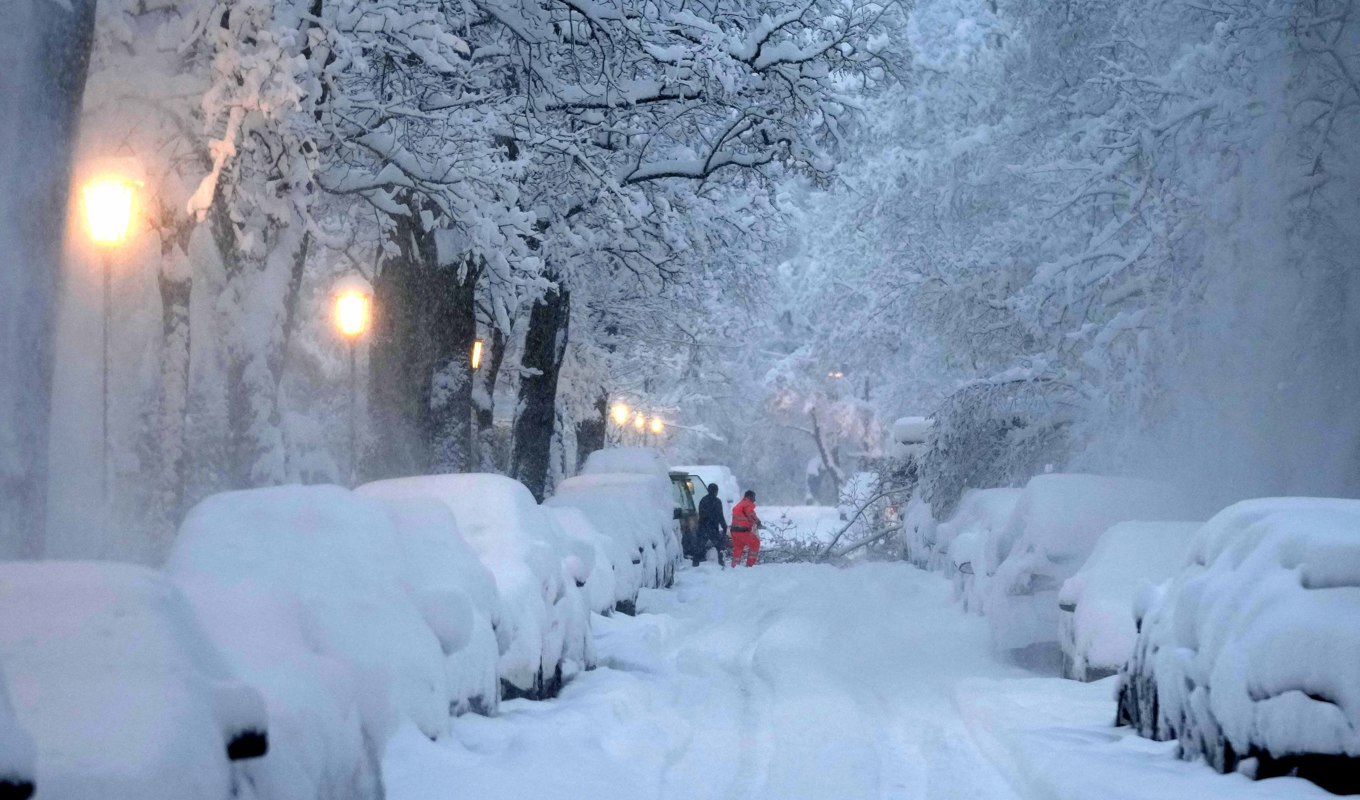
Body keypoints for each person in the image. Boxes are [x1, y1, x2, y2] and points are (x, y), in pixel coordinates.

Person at [694, 483, 728, 567]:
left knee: (699, 547)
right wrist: (724, 526)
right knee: (719, 546)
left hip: (703, 528)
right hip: (713, 528)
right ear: (716, 491)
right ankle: (721, 564)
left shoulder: (703, 500)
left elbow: (701, 515)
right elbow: (720, 516)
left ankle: (695, 564)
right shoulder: (717, 501)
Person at [730, 490, 761, 568]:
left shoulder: (740, 504)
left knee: (738, 548)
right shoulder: (748, 504)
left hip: (734, 531)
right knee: (755, 543)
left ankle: (734, 566)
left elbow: (747, 515)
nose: (755, 500)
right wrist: (757, 522)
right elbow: (750, 514)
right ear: (749, 497)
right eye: (754, 497)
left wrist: (756, 521)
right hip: (742, 531)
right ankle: (750, 565)